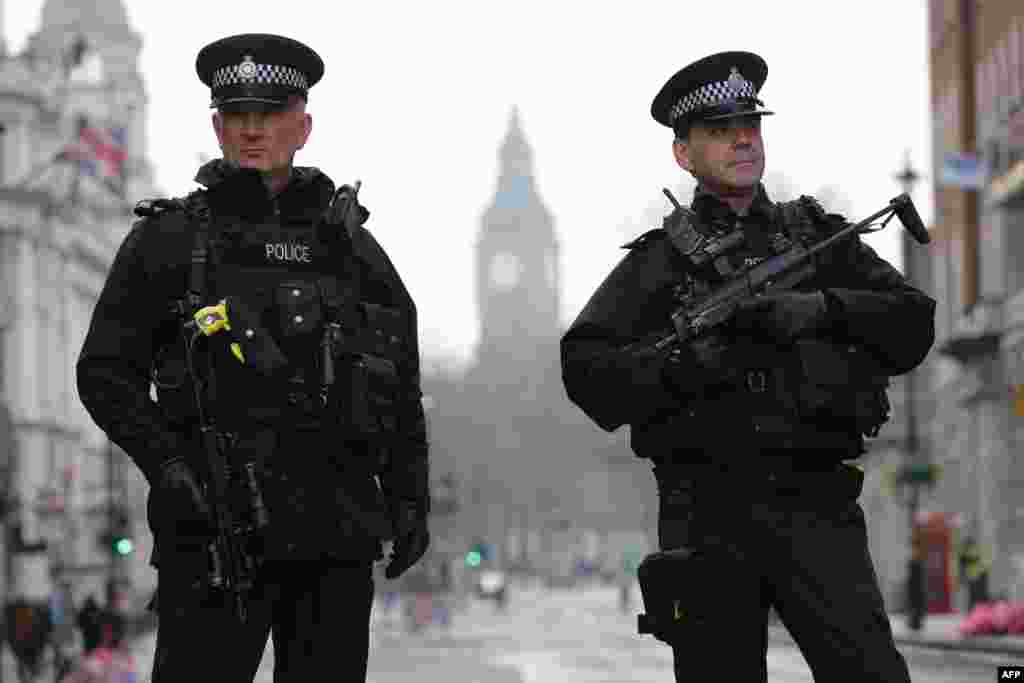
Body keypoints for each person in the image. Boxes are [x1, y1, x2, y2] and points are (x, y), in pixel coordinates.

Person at [560, 51, 935, 682]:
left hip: (815, 500)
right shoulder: (657, 266)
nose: (742, 138)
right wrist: (684, 371)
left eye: (750, 125)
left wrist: (822, 309)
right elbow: (586, 370)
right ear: (683, 154)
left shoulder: (817, 239)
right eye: (719, 129)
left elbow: (913, 322)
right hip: (707, 510)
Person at [76, 33, 430, 682]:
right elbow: (103, 373)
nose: (251, 131)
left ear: (303, 124)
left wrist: (411, 499)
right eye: (236, 116)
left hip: (336, 531)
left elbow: (400, 380)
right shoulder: (169, 240)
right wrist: (170, 465)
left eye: (268, 115)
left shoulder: (353, 250)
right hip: (216, 527)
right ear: (216, 125)